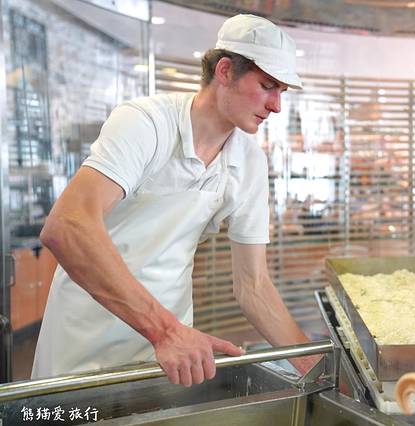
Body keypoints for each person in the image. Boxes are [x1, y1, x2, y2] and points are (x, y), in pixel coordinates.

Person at [32, 14, 319, 387]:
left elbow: (253, 285)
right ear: (225, 71)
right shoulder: (146, 123)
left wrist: (317, 369)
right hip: (88, 335)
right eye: (267, 86)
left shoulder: (249, 161)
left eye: (281, 91)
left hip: (170, 352)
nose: (276, 106)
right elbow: (68, 226)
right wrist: (165, 330)